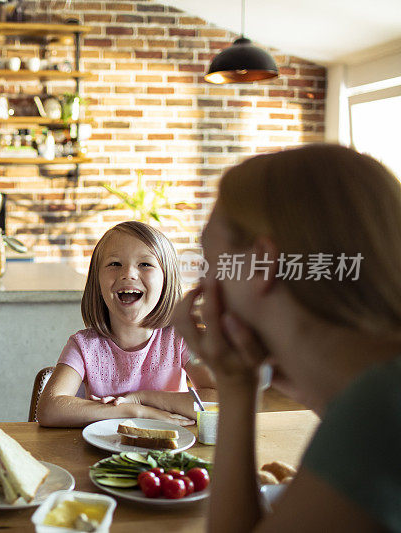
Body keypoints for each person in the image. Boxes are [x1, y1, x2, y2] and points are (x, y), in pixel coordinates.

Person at [174, 144, 401, 532]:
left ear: (264, 263)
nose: (205, 285)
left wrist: (234, 387)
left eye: (211, 262)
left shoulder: (378, 410)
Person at [37, 221, 215, 427]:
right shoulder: (83, 345)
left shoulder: (180, 339)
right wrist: (135, 411)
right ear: (97, 281)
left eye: (145, 264)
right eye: (114, 264)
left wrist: (143, 398)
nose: (128, 273)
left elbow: (220, 398)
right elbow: (49, 409)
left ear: (166, 280)